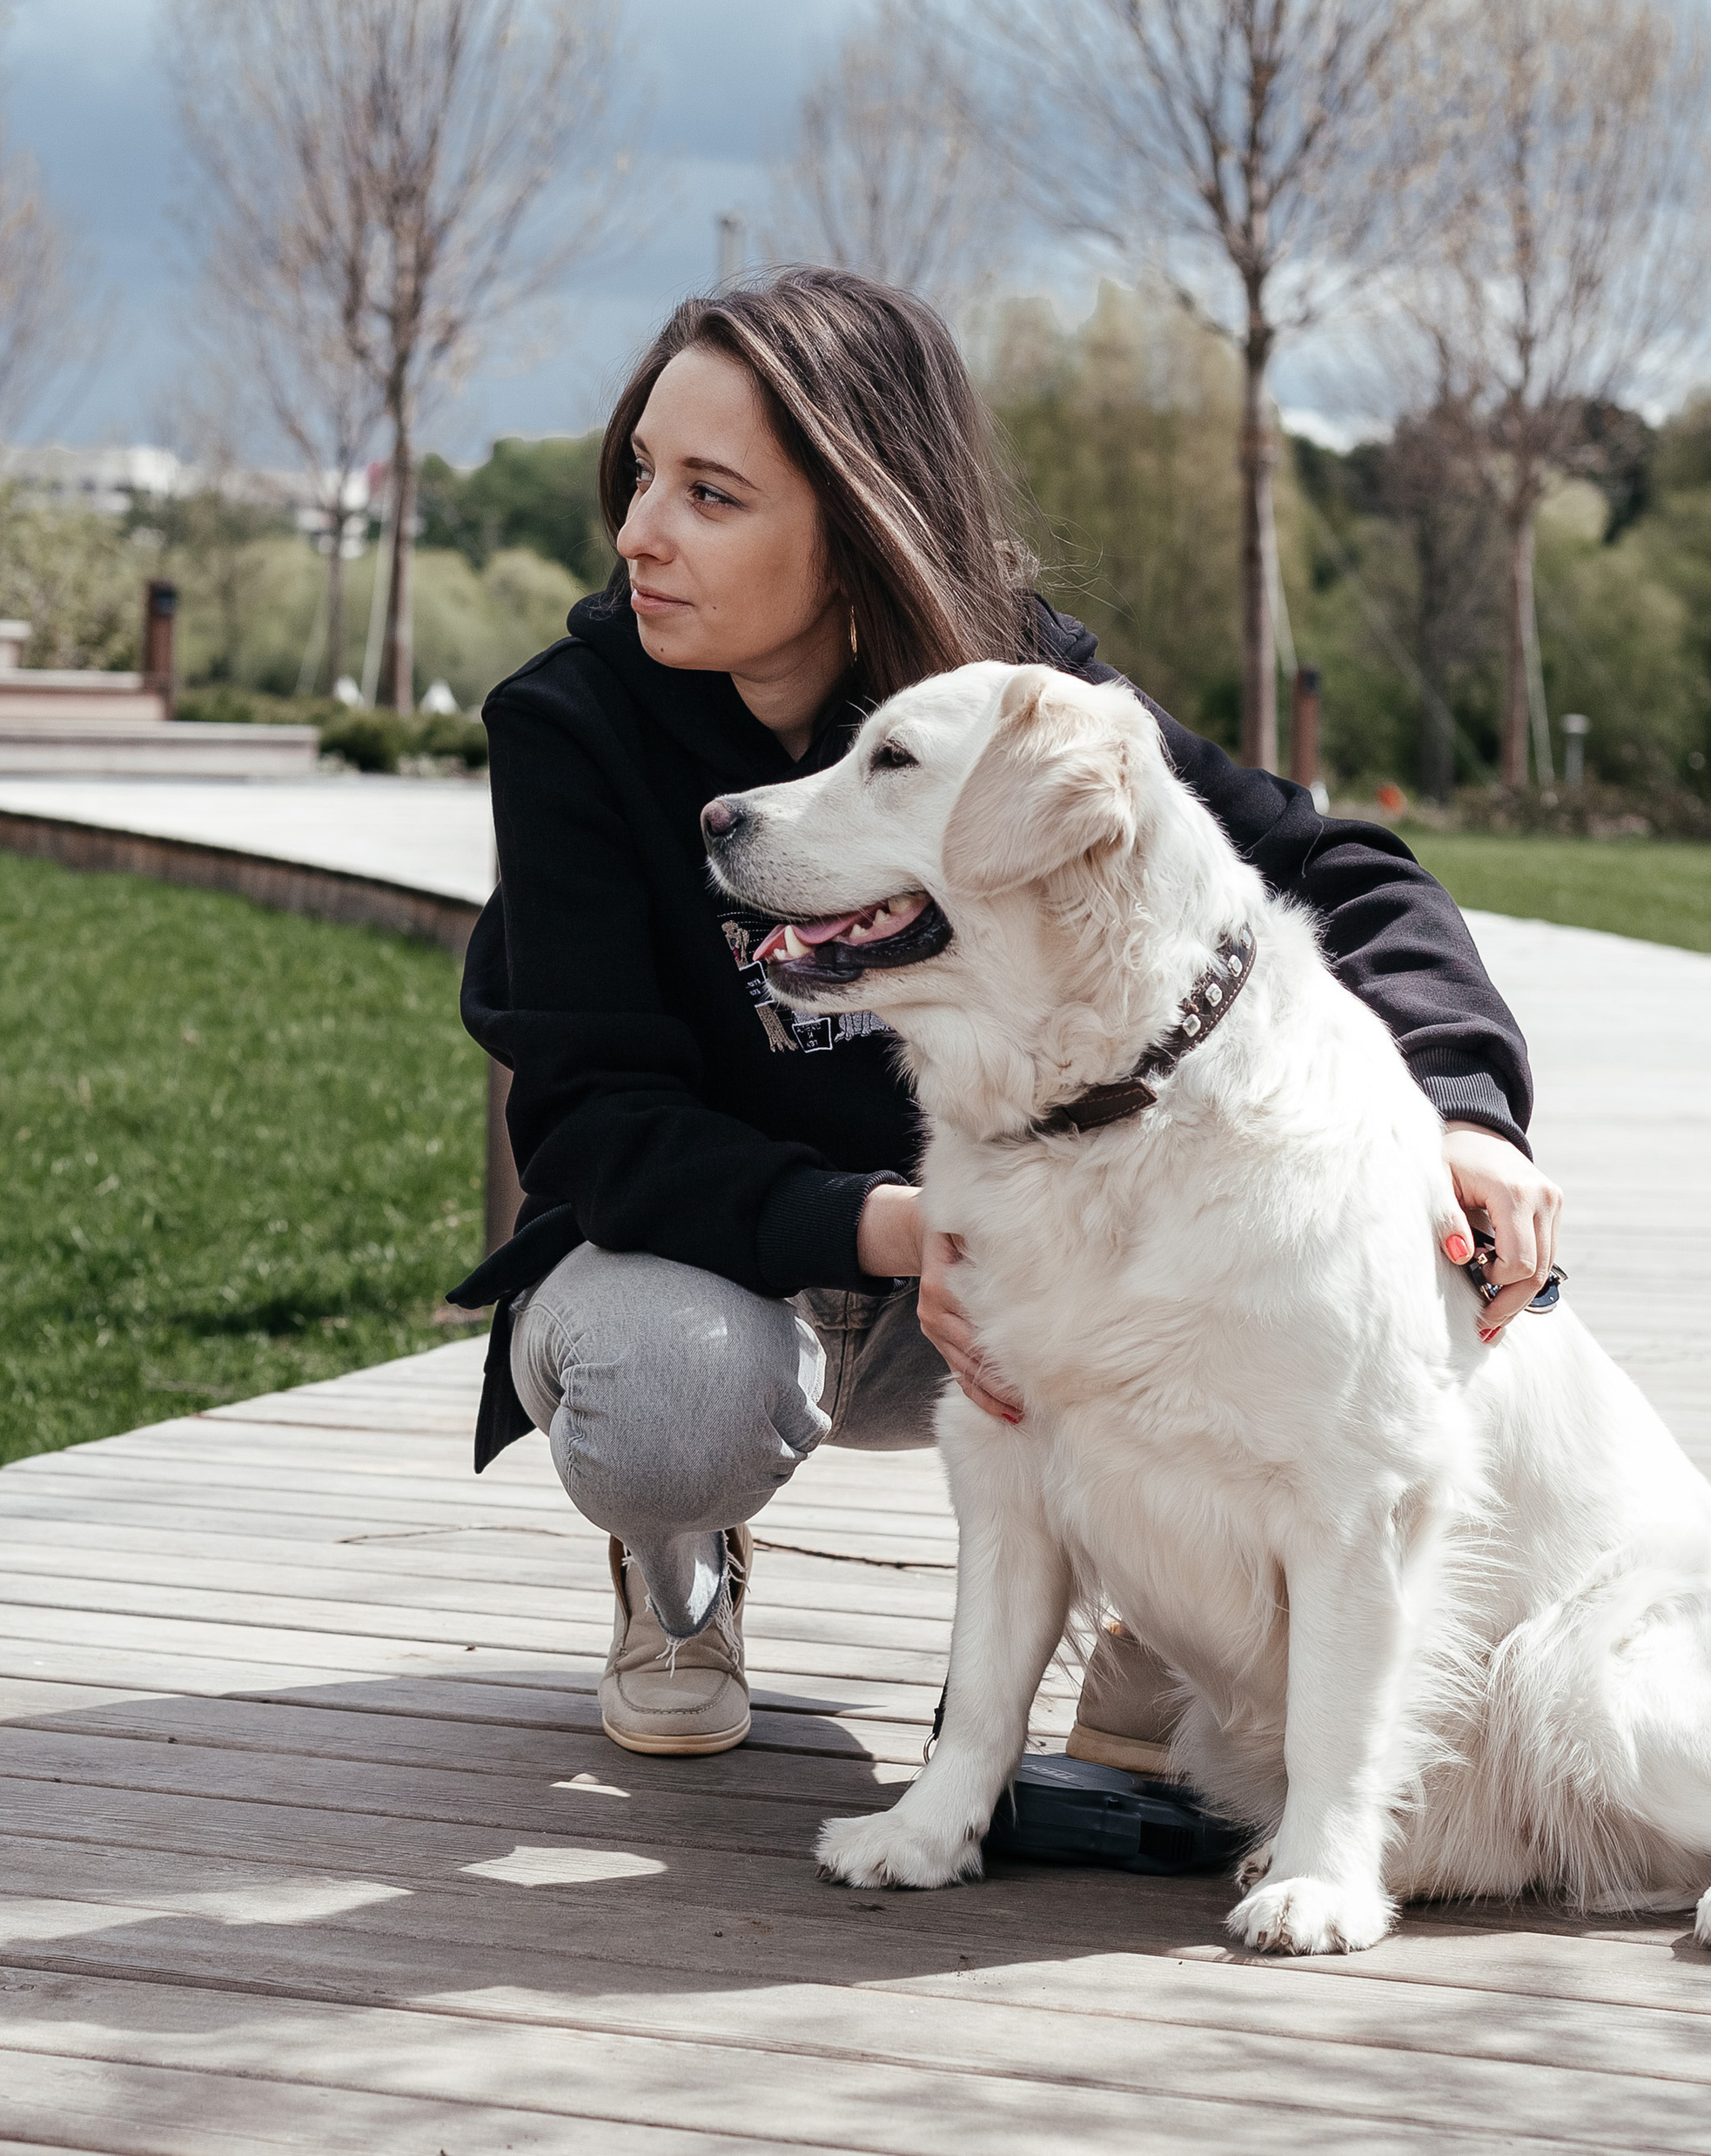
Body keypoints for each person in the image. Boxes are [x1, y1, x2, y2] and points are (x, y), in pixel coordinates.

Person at [450, 267, 1561, 1763]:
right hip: (727, 1272)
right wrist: (900, 1230)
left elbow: (1324, 866)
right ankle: (679, 1574)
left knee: (1327, 1267)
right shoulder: (570, 726)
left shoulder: (1011, 690)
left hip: (1000, 1277)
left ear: (853, 531)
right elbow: (593, 1120)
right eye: (643, 475)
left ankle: (1170, 1615)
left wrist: (1465, 1115)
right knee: (667, 1406)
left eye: (711, 495)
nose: (641, 532)